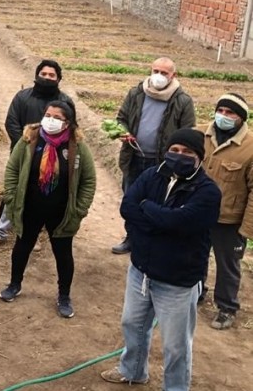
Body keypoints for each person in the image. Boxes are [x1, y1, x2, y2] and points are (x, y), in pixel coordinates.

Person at [101, 129, 221, 391]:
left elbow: (180, 223)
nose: (180, 156)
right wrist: (160, 219)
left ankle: (175, 388)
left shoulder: (208, 192)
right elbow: (128, 207)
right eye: (175, 150)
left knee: (176, 345)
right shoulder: (152, 175)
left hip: (177, 281)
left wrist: (148, 210)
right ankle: (133, 371)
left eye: (188, 152)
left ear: (199, 157)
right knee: (132, 324)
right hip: (141, 271)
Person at [0, 101, 96, 318]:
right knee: (22, 246)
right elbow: (12, 171)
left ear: (68, 123)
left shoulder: (77, 147)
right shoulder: (29, 140)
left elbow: (88, 180)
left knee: (63, 253)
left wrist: (79, 209)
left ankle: (64, 296)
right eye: (48, 115)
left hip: (61, 212)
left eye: (57, 117)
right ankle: (14, 285)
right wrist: (12, 199)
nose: (50, 120)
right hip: (30, 207)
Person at [0, 59, 75, 251]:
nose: (47, 78)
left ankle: (35, 234)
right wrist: (26, 149)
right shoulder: (23, 97)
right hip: (22, 156)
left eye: (52, 75)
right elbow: (12, 123)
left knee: (43, 195)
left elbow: (70, 129)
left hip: (52, 159)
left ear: (59, 78)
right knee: (12, 194)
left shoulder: (65, 102)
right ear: (36, 75)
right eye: (44, 74)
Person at [111, 57, 195, 254]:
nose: (158, 76)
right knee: (132, 199)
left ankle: (152, 241)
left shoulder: (182, 100)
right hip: (134, 157)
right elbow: (121, 119)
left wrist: (176, 154)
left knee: (158, 202)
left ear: (173, 75)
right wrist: (122, 132)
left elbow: (188, 132)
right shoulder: (137, 93)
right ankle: (131, 238)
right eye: (155, 70)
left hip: (162, 162)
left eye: (164, 73)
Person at [198, 94, 253, 330]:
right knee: (195, 254)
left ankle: (226, 307)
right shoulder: (200, 134)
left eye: (230, 113)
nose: (224, 116)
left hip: (229, 219)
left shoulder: (250, 147)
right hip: (198, 212)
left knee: (228, 265)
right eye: (221, 111)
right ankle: (197, 291)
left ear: (241, 118)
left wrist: (247, 228)